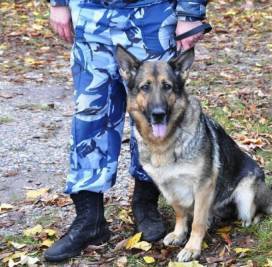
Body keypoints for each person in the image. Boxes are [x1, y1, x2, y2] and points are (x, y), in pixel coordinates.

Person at [44, 0, 207, 262]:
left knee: (155, 111)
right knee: (90, 113)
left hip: (151, 13)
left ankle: (146, 204)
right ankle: (89, 219)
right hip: (90, 13)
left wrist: (190, 12)